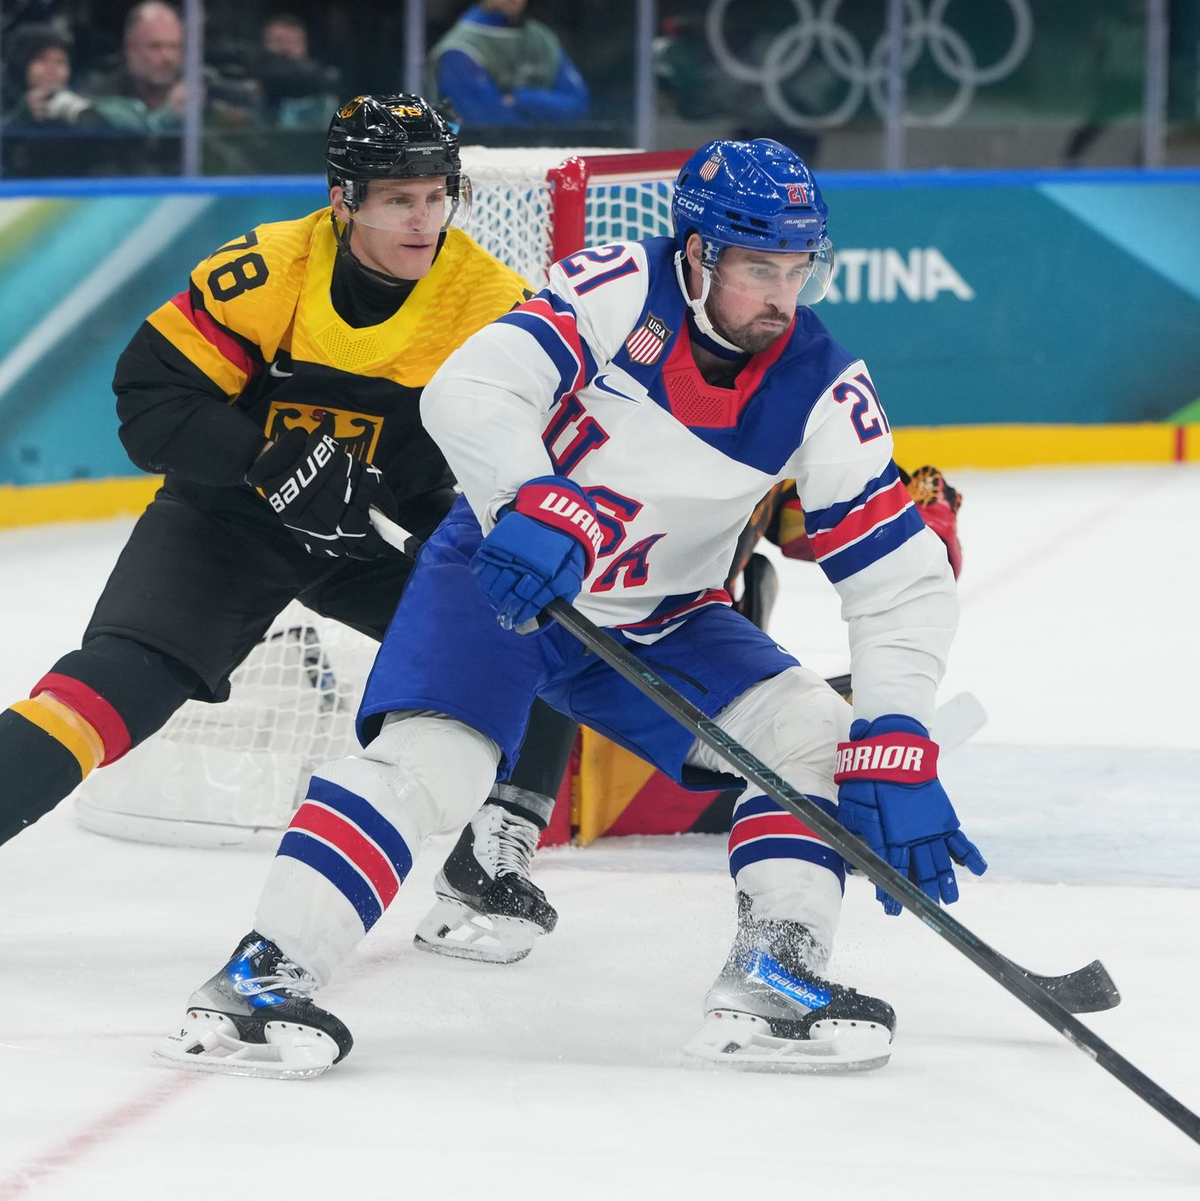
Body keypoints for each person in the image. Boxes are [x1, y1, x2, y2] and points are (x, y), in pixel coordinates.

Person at [158, 136, 985, 1079]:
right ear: (699, 253)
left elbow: (900, 579)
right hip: (507, 578)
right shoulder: (618, 286)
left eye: (801, 270)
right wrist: (529, 497)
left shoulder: (826, 383)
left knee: (820, 738)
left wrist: (898, 729)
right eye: (761, 269)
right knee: (434, 765)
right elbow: (471, 385)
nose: (783, 297)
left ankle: (774, 977)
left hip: (663, 615)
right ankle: (258, 981)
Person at [0, 93, 574, 956]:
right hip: (230, 522)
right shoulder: (269, 270)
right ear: (343, 200)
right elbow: (150, 402)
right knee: (110, 691)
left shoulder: (491, 304)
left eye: (436, 196)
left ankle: (489, 859)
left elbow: (547, 449)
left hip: (381, 530)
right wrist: (266, 460)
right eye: (398, 199)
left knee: (539, 630)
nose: (423, 221)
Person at [428, 0, 589, 129]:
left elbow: (578, 107)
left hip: (551, 150)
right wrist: (546, 114)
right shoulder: (461, 48)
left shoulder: (542, 39)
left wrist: (521, 99)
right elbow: (491, 125)